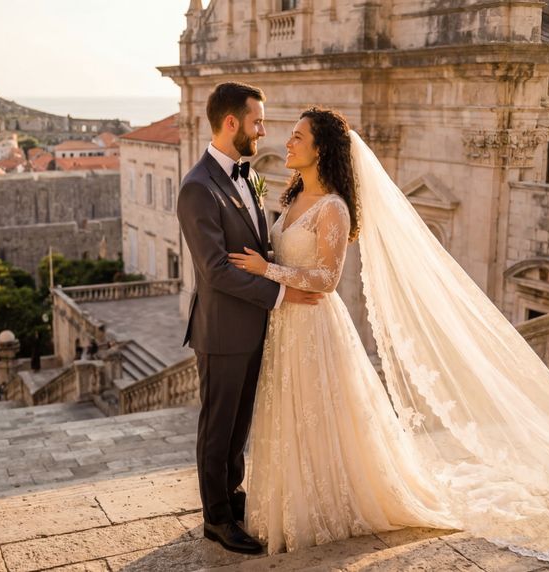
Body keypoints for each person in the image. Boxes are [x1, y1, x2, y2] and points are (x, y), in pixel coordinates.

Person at [227, 107, 549, 570]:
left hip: (315, 325)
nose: (286, 144)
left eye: (296, 137)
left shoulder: (334, 208)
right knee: (291, 414)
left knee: (320, 415)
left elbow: (328, 280)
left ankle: (325, 505)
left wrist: (266, 269)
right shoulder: (292, 194)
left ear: (321, 149)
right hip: (286, 323)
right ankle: (291, 503)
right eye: (290, 137)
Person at [176, 82, 323, 555]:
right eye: (257, 121)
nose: (264, 131)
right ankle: (215, 520)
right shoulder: (198, 188)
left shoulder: (250, 175)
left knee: (239, 426)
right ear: (232, 123)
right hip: (222, 330)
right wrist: (280, 293)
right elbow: (215, 271)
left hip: (256, 326)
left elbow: (260, 247)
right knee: (217, 429)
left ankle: (233, 498)